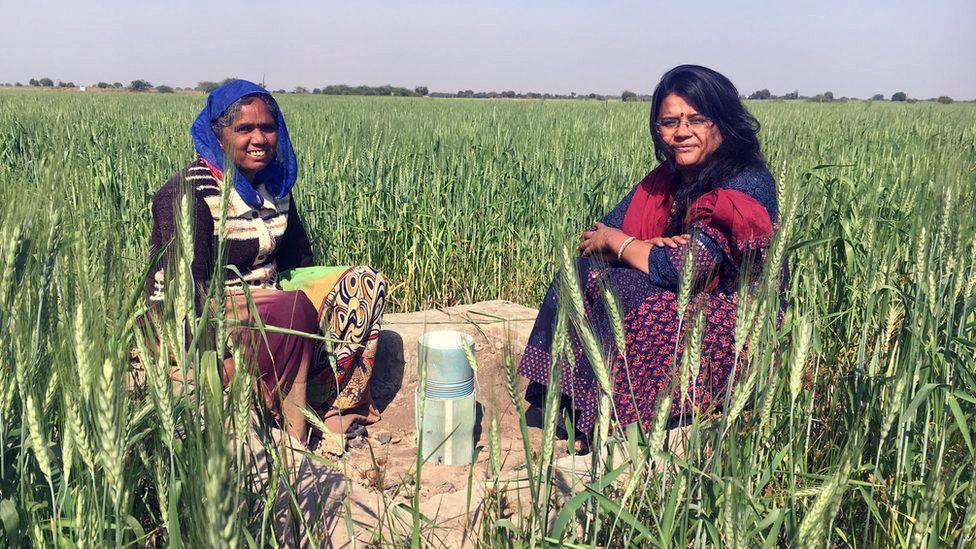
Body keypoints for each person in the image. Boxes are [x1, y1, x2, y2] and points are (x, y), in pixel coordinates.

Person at [518, 65, 783, 448]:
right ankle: (573, 408)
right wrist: (632, 244)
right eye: (669, 121)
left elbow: (688, 267)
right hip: (682, 289)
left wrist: (625, 245)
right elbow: (596, 234)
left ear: (723, 122)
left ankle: (627, 424)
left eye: (697, 119)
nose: (682, 132)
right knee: (581, 273)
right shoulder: (667, 177)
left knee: (634, 295)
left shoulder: (746, 181)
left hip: (735, 309)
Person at [145, 80, 386, 454]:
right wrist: (208, 362)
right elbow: (183, 287)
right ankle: (282, 420)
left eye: (267, 127)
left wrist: (320, 310)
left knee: (365, 283)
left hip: (271, 298)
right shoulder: (188, 192)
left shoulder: (276, 187)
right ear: (218, 134)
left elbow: (299, 261)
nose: (259, 138)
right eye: (244, 129)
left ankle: (332, 402)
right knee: (289, 310)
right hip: (214, 307)